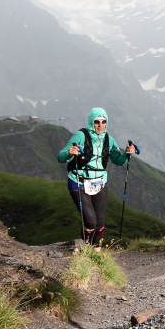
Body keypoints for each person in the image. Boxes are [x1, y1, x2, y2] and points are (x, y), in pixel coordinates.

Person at [57, 107, 135, 250]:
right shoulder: (80, 136)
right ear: (91, 122)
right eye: (97, 122)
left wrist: (127, 154)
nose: (100, 125)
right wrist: (69, 152)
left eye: (103, 122)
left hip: (100, 182)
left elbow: (118, 160)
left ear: (106, 122)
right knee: (90, 221)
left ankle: (96, 253)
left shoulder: (109, 139)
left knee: (99, 223)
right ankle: (86, 249)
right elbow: (60, 156)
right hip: (78, 181)